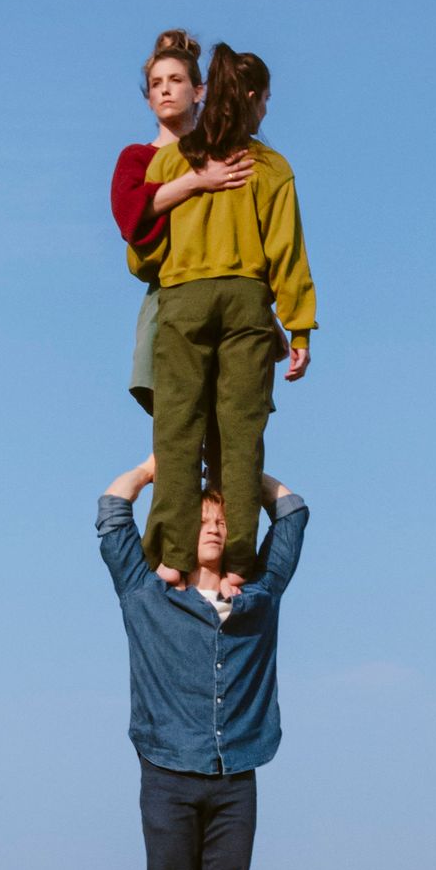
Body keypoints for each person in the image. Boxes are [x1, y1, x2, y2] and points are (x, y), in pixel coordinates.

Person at [130, 43, 317, 592]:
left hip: (185, 300)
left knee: (178, 432)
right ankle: (237, 560)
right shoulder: (271, 166)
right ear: (253, 98)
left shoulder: (172, 160)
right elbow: (288, 253)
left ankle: (171, 556)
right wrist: (299, 325)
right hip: (246, 305)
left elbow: (140, 253)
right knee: (239, 439)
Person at [96, 455, 310, 870]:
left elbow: (292, 514)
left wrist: (243, 478)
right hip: (167, 772)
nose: (213, 528)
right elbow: (113, 512)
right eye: (201, 520)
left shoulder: (260, 598)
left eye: (222, 521)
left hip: (236, 773)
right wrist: (155, 470)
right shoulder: (146, 596)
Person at [110, 29, 256, 415]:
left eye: (176, 80)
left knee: (231, 420)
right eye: (156, 84)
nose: (165, 90)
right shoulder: (137, 157)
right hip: (169, 293)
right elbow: (128, 216)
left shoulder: (223, 156)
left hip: (231, 294)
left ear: (199, 90)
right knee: (177, 421)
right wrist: (195, 181)